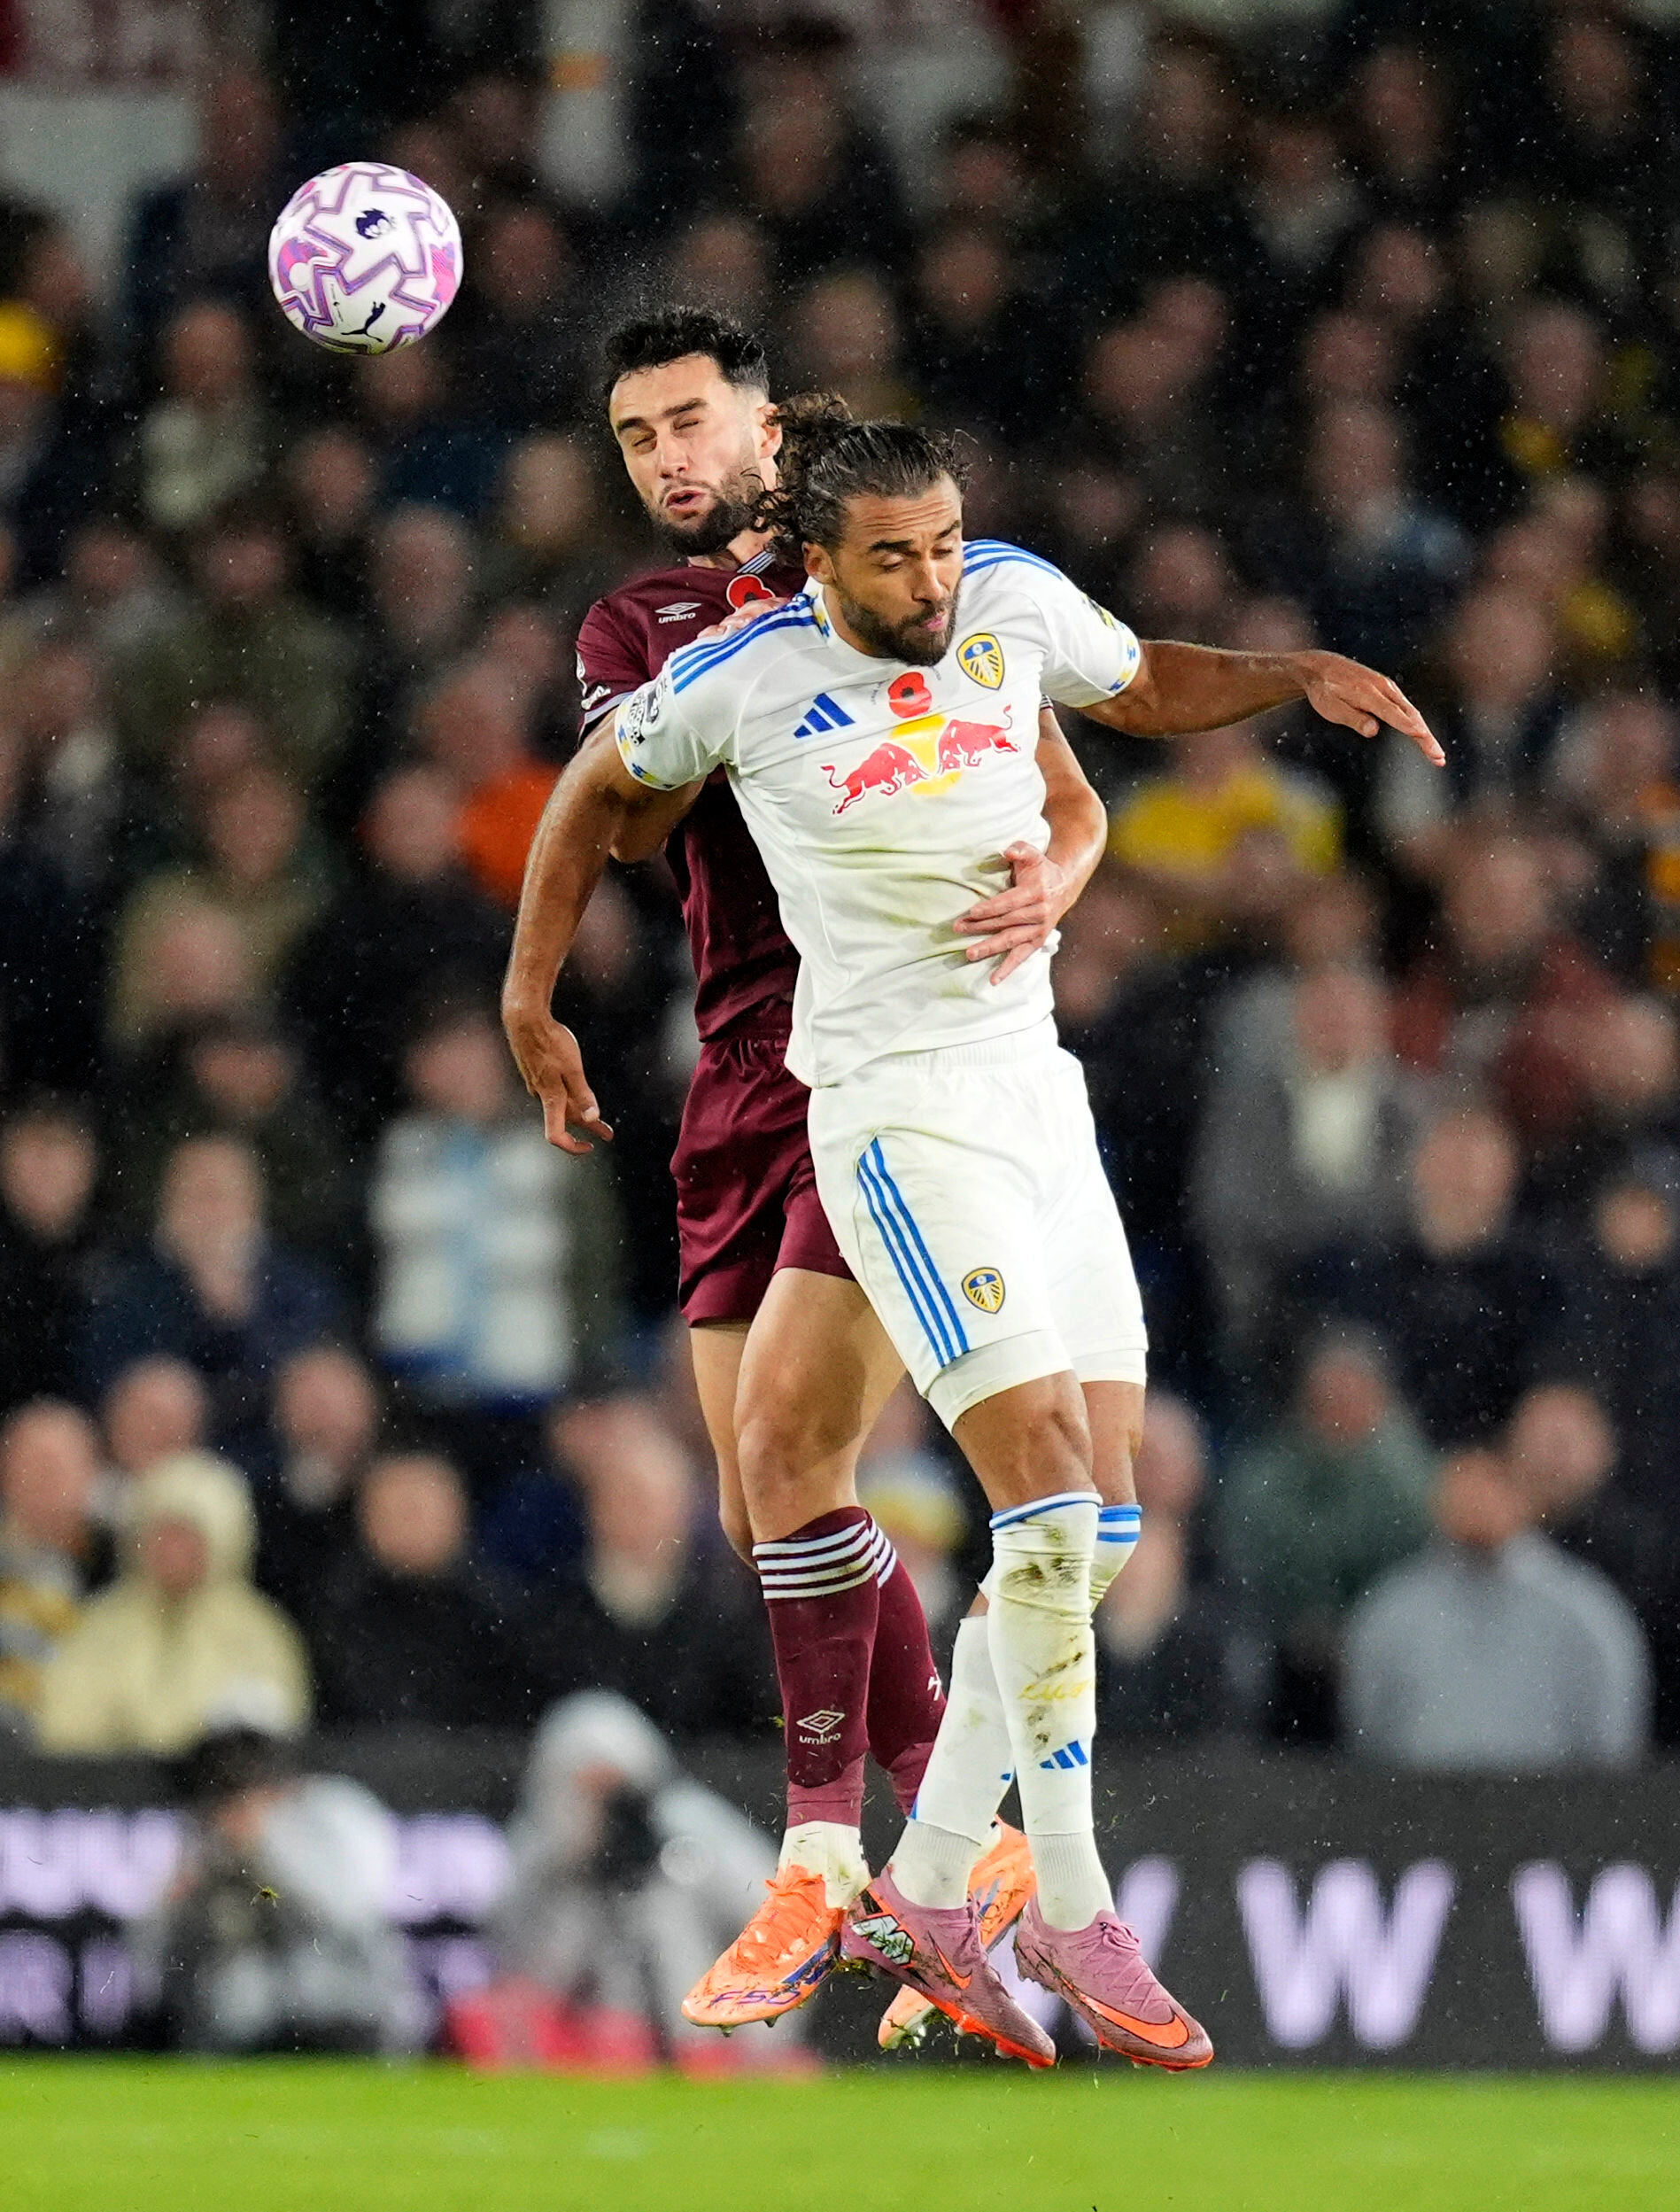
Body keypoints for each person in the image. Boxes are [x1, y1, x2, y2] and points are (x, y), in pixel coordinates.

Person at [526, 398, 1440, 2062]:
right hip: (895, 1118)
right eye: (896, 556)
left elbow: (1143, 678)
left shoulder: (1009, 598)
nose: (934, 577)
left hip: (1038, 1096)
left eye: (945, 540)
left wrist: (1293, 671)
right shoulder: (744, 680)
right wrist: (534, 1008)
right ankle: (1075, 1903)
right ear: (819, 564)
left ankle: (934, 1873)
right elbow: (590, 797)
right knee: (1038, 1492)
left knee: (1089, 1531)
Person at [502, 310, 1111, 2042]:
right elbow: (619, 812)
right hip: (732, 1083)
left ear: (771, 424)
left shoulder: (919, 576)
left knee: (815, 1459)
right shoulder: (647, 626)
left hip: (876, 1062)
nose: (669, 458)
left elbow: (1068, 798)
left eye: (694, 419)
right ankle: (956, 1866)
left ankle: (866, 1856)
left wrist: (1054, 885)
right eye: (635, 438)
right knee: (766, 1498)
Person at [469, 1690, 805, 2075]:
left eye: (612, 1788)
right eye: (589, 1789)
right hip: (592, 2039)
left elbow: (781, 1920)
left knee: (668, 1909)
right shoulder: (542, 1849)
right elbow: (519, 1962)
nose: (604, 1806)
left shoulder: (692, 1829)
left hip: (709, 2031)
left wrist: (755, 2034)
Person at [1343, 1448, 1651, 1770]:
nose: (1477, 1502)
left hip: (1552, 1807)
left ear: (1523, 1498)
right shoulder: (1391, 1609)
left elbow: (1614, 1730)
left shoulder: (1583, 1609)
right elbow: (1366, 1728)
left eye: (1491, 1485)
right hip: (1413, 1807)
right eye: (1463, 1487)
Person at [130, 1726, 423, 2055]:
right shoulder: (203, 1839)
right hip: (259, 2011)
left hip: (347, 1992)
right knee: (233, 1994)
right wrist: (187, 1896)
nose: (228, 1809)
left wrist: (265, 1845)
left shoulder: (329, 1813)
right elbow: (149, 1964)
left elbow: (348, 1916)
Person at [35, 1449, 311, 1754]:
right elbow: (63, 1730)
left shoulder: (259, 1634)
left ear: (222, 1543)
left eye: (188, 1539)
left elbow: (278, 1734)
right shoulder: (98, 1626)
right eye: (162, 1537)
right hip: (112, 1794)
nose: (173, 1553)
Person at [0, 1400, 100, 1727]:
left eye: (55, 1466)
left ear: (90, 1472)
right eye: (30, 1465)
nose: (44, 1481)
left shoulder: (115, 1566)